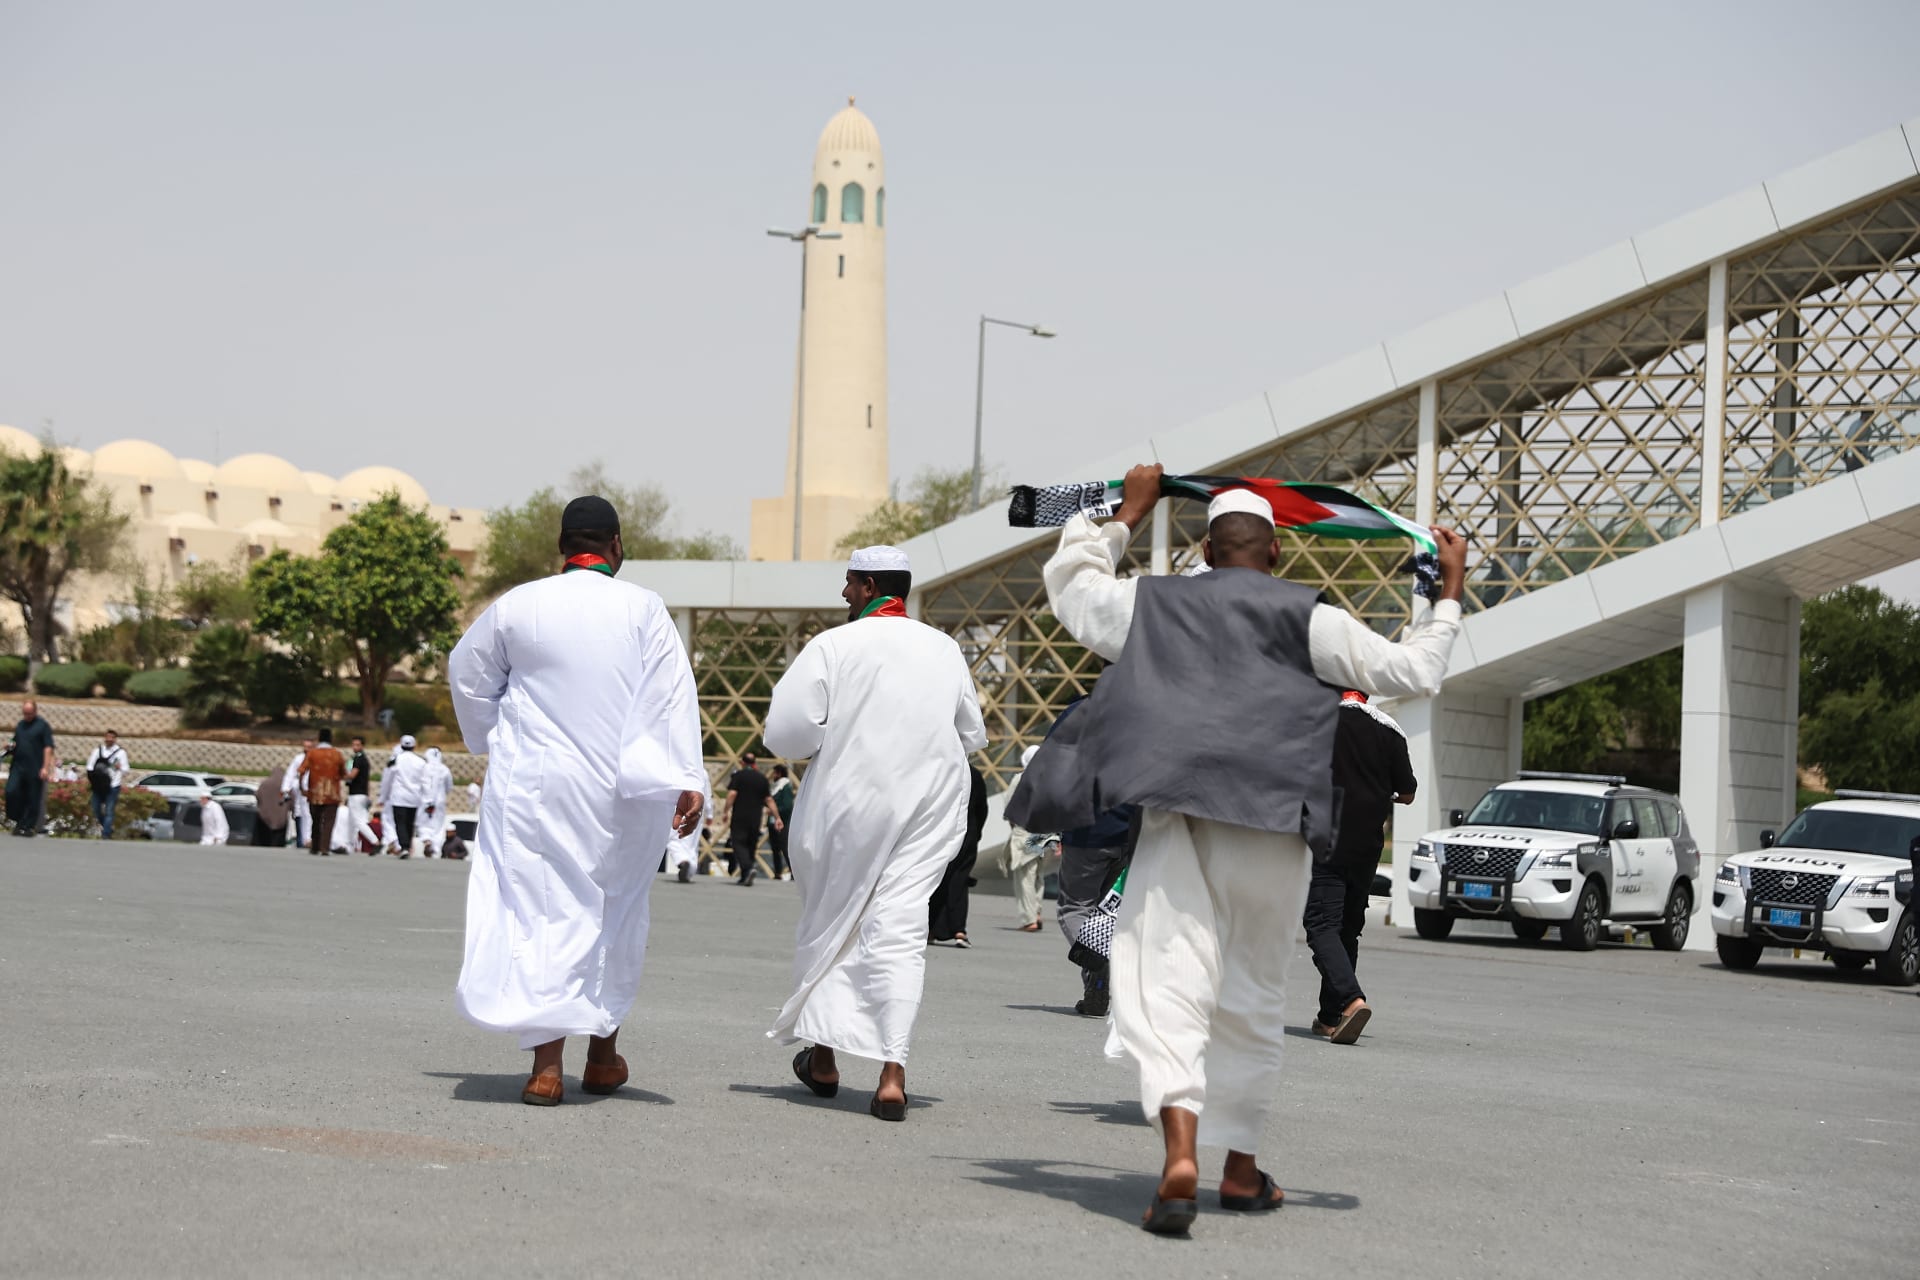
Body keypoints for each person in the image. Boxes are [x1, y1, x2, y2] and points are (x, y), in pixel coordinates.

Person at [1008, 464, 1466, 1234]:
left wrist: (1125, 514)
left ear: (1206, 551)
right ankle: (1243, 1170)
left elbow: (1075, 592)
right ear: (1276, 556)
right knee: (1252, 992)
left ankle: (1181, 1154)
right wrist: (1446, 591)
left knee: (1166, 984)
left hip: (1177, 821)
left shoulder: (1152, 606)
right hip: (1275, 831)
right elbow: (1413, 670)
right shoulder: (1310, 618)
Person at [449, 494, 705, 1107]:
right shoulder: (644, 608)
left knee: (543, 913)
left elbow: (467, 674)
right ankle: (602, 1054)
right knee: (614, 909)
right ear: (617, 547)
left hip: (537, 786)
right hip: (624, 789)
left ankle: (545, 1068)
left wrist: (494, 737)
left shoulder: (519, 604)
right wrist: (687, 776)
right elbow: (672, 696)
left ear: (562, 548)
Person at [765, 545, 988, 1122]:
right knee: (901, 927)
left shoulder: (833, 646)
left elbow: (785, 733)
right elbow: (971, 732)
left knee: (833, 921)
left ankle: (825, 1057)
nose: (842, 594)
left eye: (846, 584)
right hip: (929, 802)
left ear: (866, 585)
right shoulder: (944, 649)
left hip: (850, 799)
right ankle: (892, 1073)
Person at [1307, 690, 1416, 1045]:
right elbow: (1408, 793)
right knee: (1347, 929)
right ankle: (1329, 1017)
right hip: (1368, 844)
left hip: (1328, 837)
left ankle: (1352, 1001)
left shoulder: (1317, 720)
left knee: (1322, 924)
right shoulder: (1390, 729)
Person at [927, 766, 988, 947]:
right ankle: (959, 930)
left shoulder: (943, 769)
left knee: (937, 880)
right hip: (967, 835)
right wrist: (976, 833)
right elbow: (982, 808)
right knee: (959, 881)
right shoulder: (975, 774)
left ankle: (930, 928)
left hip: (942, 834)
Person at [1004, 747, 1056, 934]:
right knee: (1038, 875)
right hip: (1044, 833)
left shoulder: (1019, 779)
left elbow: (1010, 809)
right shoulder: (1049, 781)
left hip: (1024, 832)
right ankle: (1037, 912)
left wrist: (1014, 829)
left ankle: (1029, 918)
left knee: (1025, 877)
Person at [721, 752, 780, 886]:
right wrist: (777, 817)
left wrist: (725, 811)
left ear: (742, 762)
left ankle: (747, 868)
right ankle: (745, 875)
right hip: (756, 818)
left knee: (738, 843)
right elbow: (769, 800)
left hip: (740, 816)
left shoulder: (738, 776)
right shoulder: (762, 779)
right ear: (754, 763)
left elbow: (732, 794)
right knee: (751, 844)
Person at [6, 700, 56, 837]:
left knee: (32, 798)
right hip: (18, 767)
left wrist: (45, 768)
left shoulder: (42, 726)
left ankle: (26, 826)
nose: (26, 715)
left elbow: (48, 747)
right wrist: (9, 746)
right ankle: (17, 818)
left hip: (35, 768)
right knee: (11, 791)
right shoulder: (20, 725)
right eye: (24, 713)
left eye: (29, 713)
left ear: (35, 711)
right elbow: (16, 741)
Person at [297, 729, 348, 857]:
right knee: (329, 822)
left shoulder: (312, 753)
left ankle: (315, 846)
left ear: (319, 738)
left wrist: (302, 788)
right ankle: (325, 847)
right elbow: (343, 773)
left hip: (315, 793)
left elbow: (302, 771)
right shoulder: (337, 754)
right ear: (331, 739)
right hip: (332, 794)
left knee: (316, 820)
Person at [385, 736, 429, 857]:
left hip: (398, 797)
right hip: (414, 797)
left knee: (400, 822)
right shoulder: (421, 761)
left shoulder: (395, 760)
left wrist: (384, 796)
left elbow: (388, 779)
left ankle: (404, 846)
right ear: (414, 746)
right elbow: (425, 781)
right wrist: (427, 797)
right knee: (410, 822)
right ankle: (407, 846)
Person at [85, 729, 131, 839]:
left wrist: (119, 767)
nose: (109, 739)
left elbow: (126, 769)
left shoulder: (120, 753)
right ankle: (107, 827)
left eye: (112, 737)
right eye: (107, 737)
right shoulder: (98, 750)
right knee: (96, 808)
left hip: (113, 785)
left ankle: (106, 834)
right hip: (98, 785)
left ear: (115, 739)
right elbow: (89, 766)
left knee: (109, 810)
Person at [664, 785, 709, 884]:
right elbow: (707, 793)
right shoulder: (703, 773)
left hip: (679, 805)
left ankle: (682, 861)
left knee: (673, 839)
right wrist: (710, 813)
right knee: (692, 845)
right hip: (698, 806)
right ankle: (689, 870)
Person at [280, 738, 314, 849]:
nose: (306, 749)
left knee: (309, 815)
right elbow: (290, 774)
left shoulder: (315, 759)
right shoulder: (298, 759)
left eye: (309, 747)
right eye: (305, 747)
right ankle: (301, 840)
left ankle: (308, 839)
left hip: (311, 791)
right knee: (299, 814)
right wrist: (285, 788)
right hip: (299, 791)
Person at [420, 746, 453, 857]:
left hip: (425, 801)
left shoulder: (424, 767)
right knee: (438, 826)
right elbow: (449, 787)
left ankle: (427, 840)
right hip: (440, 802)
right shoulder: (445, 769)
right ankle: (435, 849)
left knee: (424, 823)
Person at [345, 736, 376, 850]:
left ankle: (374, 841)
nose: (355, 747)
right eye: (353, 745)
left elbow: (352, 774)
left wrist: (340, 776)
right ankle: (349, 844)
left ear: (362, 746)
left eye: (357, 745)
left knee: (359, 821)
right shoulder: (363, 759)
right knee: (351, 821)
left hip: (356, 794)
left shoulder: (358, 759)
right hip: (362, 794)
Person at [767, 764, 796, 880]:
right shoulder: (775, 787)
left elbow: (788, 806)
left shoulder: (785, 786)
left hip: (783, 822)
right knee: (775, 848)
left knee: (785, 848)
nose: (773, 775)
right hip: (772, 822)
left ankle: (793, 873)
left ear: (779, 774)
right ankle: (777, 872)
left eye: (775, 773)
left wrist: (774, 811)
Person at [253, 767, 291, 846]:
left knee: (264, 842)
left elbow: (257, 796)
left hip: (264, 817)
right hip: (281, 818)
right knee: (278, 843)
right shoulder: (286, 786)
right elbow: (291, 800)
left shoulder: (265, 783)